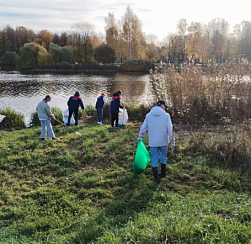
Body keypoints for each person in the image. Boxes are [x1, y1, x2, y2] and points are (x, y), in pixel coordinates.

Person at [138, 100, 174, 183]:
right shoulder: (166, 115)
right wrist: (172, 141)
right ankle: (163, 174)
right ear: (161, 105)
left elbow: (143, 128)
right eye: (165, 106)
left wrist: (140, 137)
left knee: (154, 159)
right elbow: (170, 129)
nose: (165, 108)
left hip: (153, 142)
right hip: (164, 141)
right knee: (163, 158)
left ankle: (156, 178)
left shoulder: (148, 115)